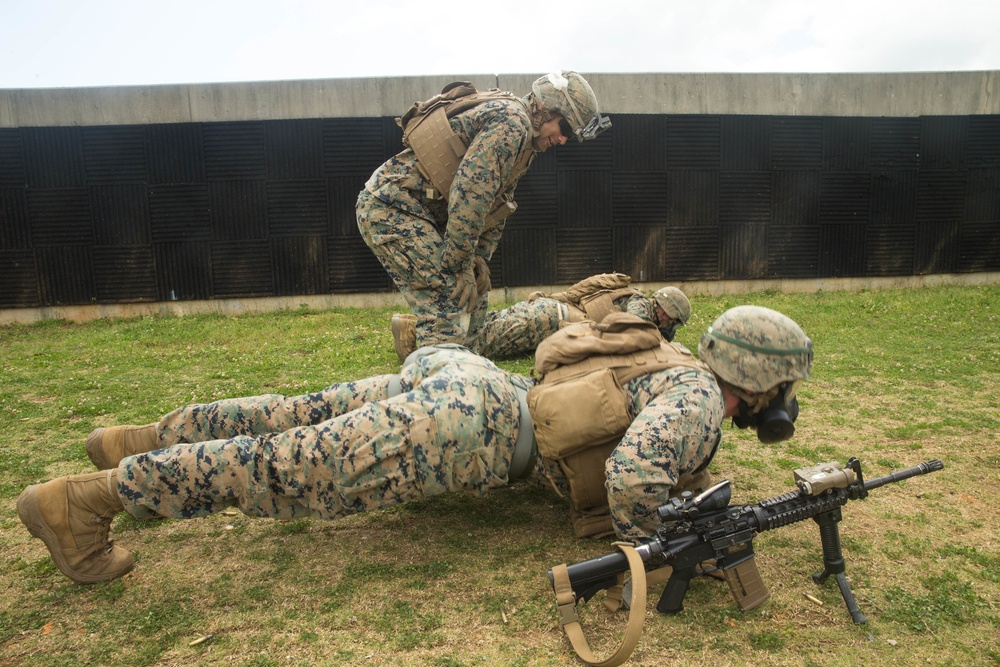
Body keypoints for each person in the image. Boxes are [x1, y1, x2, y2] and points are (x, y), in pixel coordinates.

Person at [16, 306, 812, 583]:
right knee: (292, 467)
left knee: (301, 415)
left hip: (467, 381)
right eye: (783, 389)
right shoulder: (703, 396)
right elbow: (637, 470)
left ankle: (140, 441)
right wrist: (657, 545)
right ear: (761, 380)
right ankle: (82, 504)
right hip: (473, 429)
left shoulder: (665, 353)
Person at [358, 71, 609, 355]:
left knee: (473, 310)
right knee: (449, 303)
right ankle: (435, 385)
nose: (563, 140)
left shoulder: (524, 141)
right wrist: (460, 265)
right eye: (564, 127)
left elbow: (497, 204)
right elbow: (470, 194)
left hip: (421, 212)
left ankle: (414, 338)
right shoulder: (512, 125)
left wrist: (479, 259)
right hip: (392, 207)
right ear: (545, 107)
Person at [390, 274, 692, 361]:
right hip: (548, 321)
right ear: (666, 313)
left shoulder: (631, 294)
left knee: (486, 325)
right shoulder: (642, 307)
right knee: (481, 343)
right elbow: (634, 330)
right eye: (672, 323)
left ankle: (415, 325)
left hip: (547, 312)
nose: (669, 328)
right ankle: (413, 338)